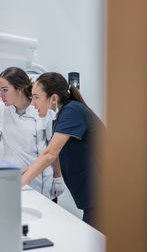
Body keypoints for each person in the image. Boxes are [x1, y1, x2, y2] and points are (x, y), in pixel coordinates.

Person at [21, 72, 102, 227]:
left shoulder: (72, 111)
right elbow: (50, 153)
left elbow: (50, 154)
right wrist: (21, 174)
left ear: (54, 98)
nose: (32, 103)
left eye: (36, 97)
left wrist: (19, 185)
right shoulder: (65, 113)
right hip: (92, 198)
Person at [0, 67, 65, 199]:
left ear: (20, 89)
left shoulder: (42, 110)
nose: (1, 95)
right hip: (12, 178)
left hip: (40, 181)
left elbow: (53, 150)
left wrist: (57, 177)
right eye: (0, 90)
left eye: (5, 90)